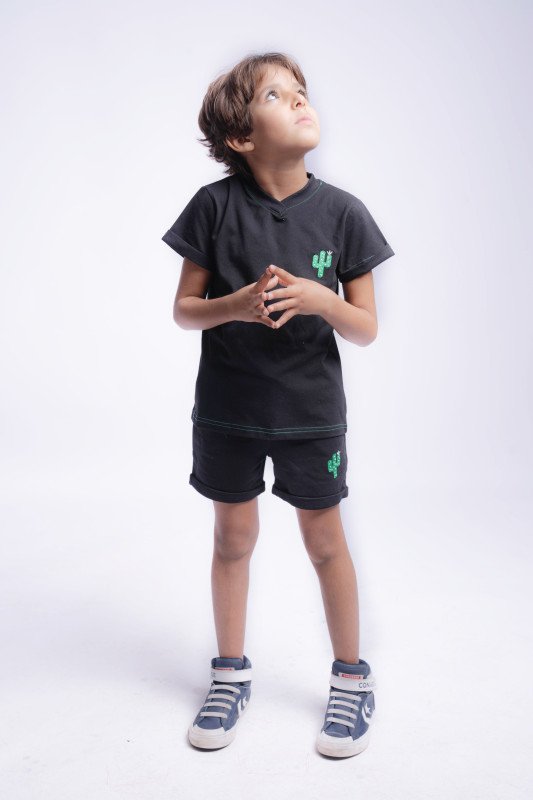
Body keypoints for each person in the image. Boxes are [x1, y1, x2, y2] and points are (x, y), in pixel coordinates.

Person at [161, 51, 394, 758]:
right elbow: (184, 310)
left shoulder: (343, 213)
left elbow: (366, 328)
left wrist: (323, 300)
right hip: (227, 410)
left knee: (324, 543)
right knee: (232, 540)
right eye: (275, 95)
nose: (298, 100)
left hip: (310, 415)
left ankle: (351, 678)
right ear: (241, 136)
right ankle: (230, 674)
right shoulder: (213, 206)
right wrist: (233, 305)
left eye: (300, 90)